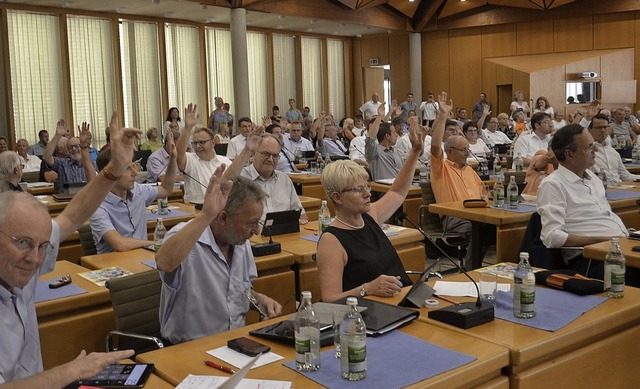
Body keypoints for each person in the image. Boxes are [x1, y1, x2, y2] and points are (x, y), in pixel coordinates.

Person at [0, 110, 141, 386]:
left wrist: (113, 169)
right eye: (23, 244)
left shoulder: (19, 269)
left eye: (43, 246)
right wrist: (72, 371)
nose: (35, 258)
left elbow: (71, 217)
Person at [156, 171, 282, 344]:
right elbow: (163, 262)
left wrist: (259, 299)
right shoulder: (187, 239)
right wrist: (206, 216)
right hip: (191, 349)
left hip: (237, 343)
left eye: (257, 222)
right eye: (250, 224)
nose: (256, 231)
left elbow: (238, 289)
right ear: (223, 218)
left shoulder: (240, 242)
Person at [316, 115, 425, 303]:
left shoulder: (369, 216)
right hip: (372, 316)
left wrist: (415, 151)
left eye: (367, 187)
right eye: (359, 190)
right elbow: (330, 298)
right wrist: (367, 289)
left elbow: (398, 191)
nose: (367, 194)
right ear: (337, 197)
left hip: (402, 301)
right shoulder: (331, 241)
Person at [537, 124, 628, 277]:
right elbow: (551, 237)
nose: (596, 151)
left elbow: (603, 217)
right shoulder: (554, 184)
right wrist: (602, 240)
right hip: (590, 259)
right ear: (569, 154)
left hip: (615, 247)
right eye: (589, 147)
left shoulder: (593, 178)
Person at [430, 91, 493, 270]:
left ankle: (482, 267)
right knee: (480, 229)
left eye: (468, 150)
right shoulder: (441, 168)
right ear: (449, 151)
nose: (467, 153)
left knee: (498, 228)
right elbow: (435, 146)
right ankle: (471, 270)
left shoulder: (470, 171)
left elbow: (484, 194)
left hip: (479, 214)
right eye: (463, 150)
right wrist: (442, 115)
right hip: (454, 217)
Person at [90, 133, 177, 254]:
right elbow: (119, 243)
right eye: (127, 168)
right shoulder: (97, 206)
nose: (135, 173)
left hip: (143, 259)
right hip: (116, 266)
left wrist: (172, 159)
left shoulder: (138, 190)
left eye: (133, 166)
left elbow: (166, 190)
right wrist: (156, 244)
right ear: (110, 174)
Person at [230, 133, 308, 225]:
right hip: (253, 236)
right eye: (265, 154)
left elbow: (301, 215)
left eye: (275, 156)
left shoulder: (284, 179)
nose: (270, 159)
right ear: (254, 154)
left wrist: (300, 222)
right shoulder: (241, 178)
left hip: (285, 235)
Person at [177, 104, 233, 205]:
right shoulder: (190, 159)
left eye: (202, 142)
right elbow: (178, 154)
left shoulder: (225, 161)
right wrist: (187, 128)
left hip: (223, 208)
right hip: (197, 209)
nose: (198, 146)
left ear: (213, 143)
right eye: (195, 143)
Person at [42, 121, 97, 192]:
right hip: (66, 200)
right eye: (70, 147)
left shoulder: (92, 165)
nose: (74, 149)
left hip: (86, 200)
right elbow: (46, 157)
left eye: (77, 146)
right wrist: (57, 135)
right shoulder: (62, 163)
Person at [588, 113, 640, 182]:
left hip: (619, 188)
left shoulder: (613, 152)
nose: (603, 130)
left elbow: (625, 176)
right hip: (600, 189)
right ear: (589, 129)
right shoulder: (587, 152)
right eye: (599, 128)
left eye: (605, 127)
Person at [365, 105, 402, 180]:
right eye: (394, 132)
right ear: (387, 136)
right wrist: (379, 116)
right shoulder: (375, 152)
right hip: (384, 189)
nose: (397, 135)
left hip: (401, 186)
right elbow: (370, 138)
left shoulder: (395, 151)